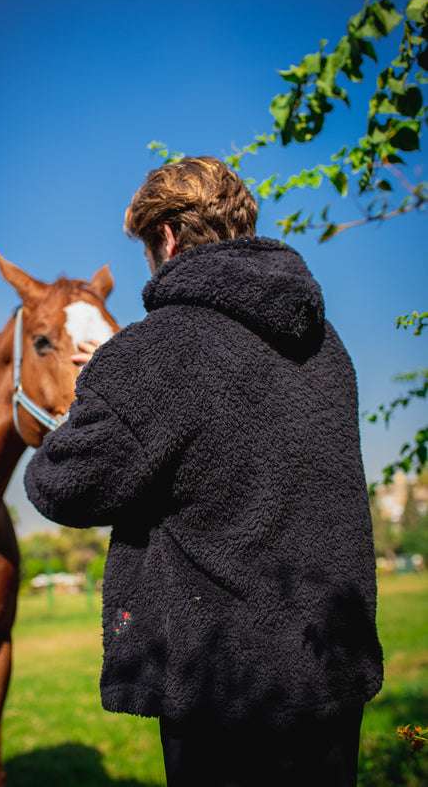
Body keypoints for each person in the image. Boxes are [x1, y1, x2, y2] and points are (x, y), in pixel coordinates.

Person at [24, 156, 383, 786]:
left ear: (164, 237)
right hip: (330, 672)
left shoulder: (160, 349)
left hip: (225, 689)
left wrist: (99, 381)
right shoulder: (326, 342)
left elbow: (60, 485)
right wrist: (127, 369)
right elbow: (227, 426)